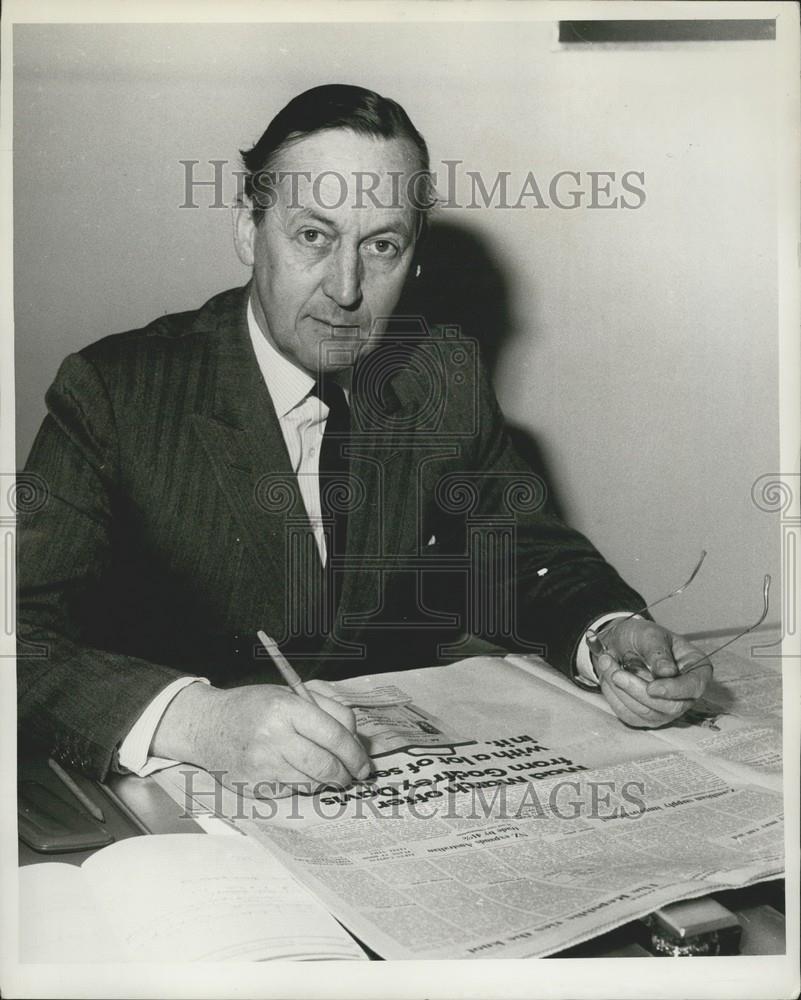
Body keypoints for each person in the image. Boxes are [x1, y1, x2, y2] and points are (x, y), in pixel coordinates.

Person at [17, 84, 711, 798]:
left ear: (412, 262)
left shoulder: (438, 371)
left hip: (392, 796)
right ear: (247, 231)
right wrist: (200, 724)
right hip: (177, 805)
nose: (345, 289)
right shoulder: (118, 391)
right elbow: (17, 637)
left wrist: (605, 634)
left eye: (380, 246)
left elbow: (516, 556)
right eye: (312, 236)